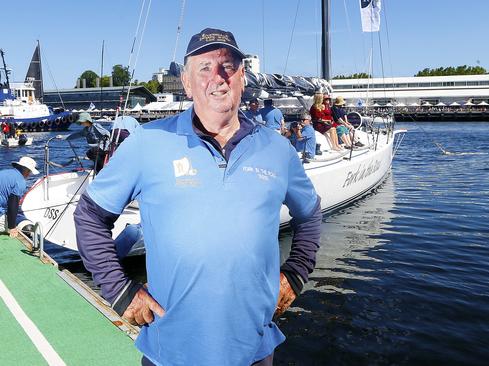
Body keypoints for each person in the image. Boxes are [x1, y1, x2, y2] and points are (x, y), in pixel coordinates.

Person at [73, 27, 322, 366]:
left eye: (228, 66)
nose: (218, 77)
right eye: (204, 68)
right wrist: (120, 292)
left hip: (254, 350)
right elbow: (89, 216)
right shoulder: (148, 143)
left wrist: (295, 272)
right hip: (171, 351)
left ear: (242, 78)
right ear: (187, 83)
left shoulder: (277, 150)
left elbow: (309, 213)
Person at [0, 157, 39, 238]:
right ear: (26, 171)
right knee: (6, 228)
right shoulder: (20, 182)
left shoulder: (4, 172)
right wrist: (12, 227)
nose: (29, 174)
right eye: (30, 172)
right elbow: (12, 205)